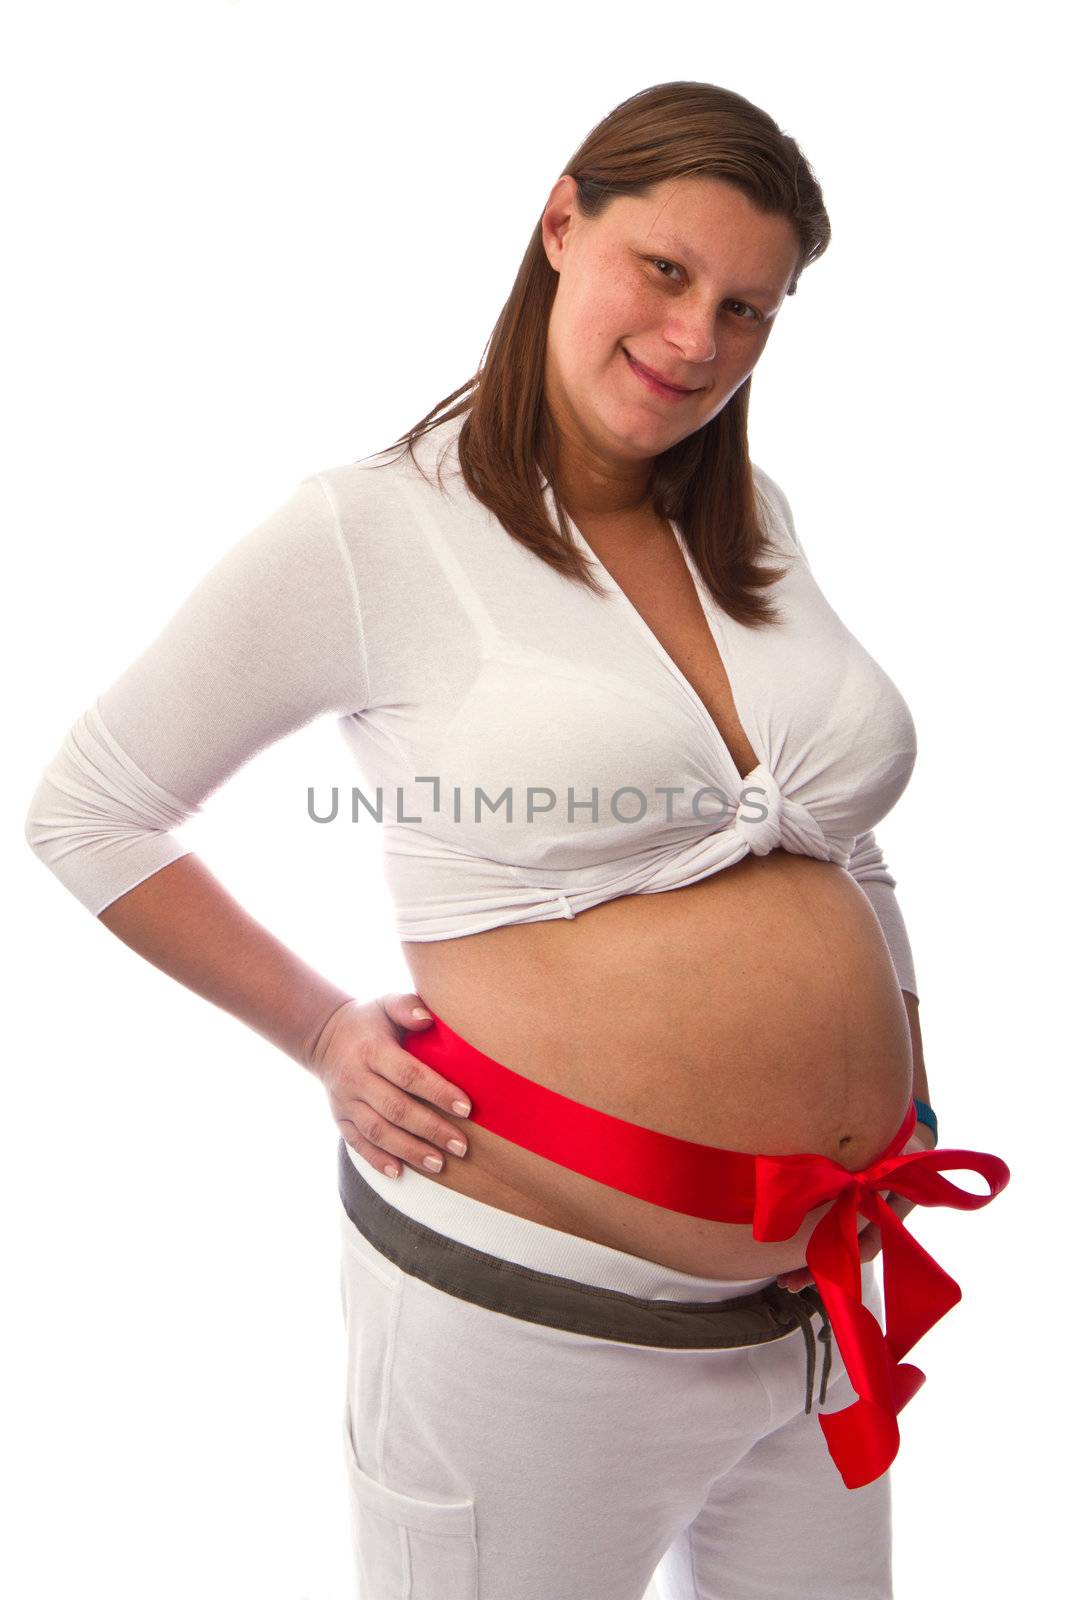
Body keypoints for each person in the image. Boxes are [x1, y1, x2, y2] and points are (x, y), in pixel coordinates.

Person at [24, 80, 1009, 1600]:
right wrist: (322, 1031)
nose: (698, 341)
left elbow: (836, 841)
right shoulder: (372, 532)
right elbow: (90, 810)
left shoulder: (756, 523)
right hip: (534, 1328)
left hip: (816, 1306)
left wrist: (907, 1083)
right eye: (665, 273)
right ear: (562, 224)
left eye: (750, 309)